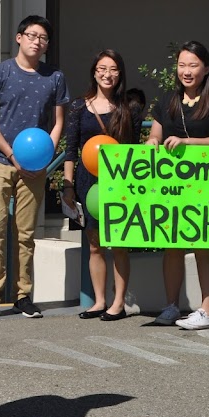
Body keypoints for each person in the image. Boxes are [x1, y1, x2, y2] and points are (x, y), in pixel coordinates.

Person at [0, 16, 69, 322]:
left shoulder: (54, 77)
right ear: (18, 37)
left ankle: (23, 296)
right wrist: (11, 153)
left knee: (26, 233)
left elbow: (58, 123)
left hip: (34, 167)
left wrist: (44, 156)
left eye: (43, 37)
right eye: (31, 35)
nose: (36, 41)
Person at [146, 40, 209, 330]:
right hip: (171, 185)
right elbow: (154, 135)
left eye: (193, 65)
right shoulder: (167, 99)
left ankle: (207, 310)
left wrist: (187, 142)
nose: (186, 71)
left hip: (205, 183)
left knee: (203, 246)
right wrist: (153, 142)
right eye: (182, 64)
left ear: (206, 69)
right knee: (171, 246)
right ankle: (171, 306)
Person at [63, 49, 143, 321]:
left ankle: (118, 303)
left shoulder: (129, 108)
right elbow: (70, 149)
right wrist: (68, 185)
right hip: (87, 182)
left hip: (119, 182)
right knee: (94, 244)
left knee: (118, 244)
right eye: (102, 69)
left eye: (113, 69)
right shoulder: (78, 107)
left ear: (120, 74)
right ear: (94, 72)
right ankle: (99, 301)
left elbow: (134, 150)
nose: (107, 74)